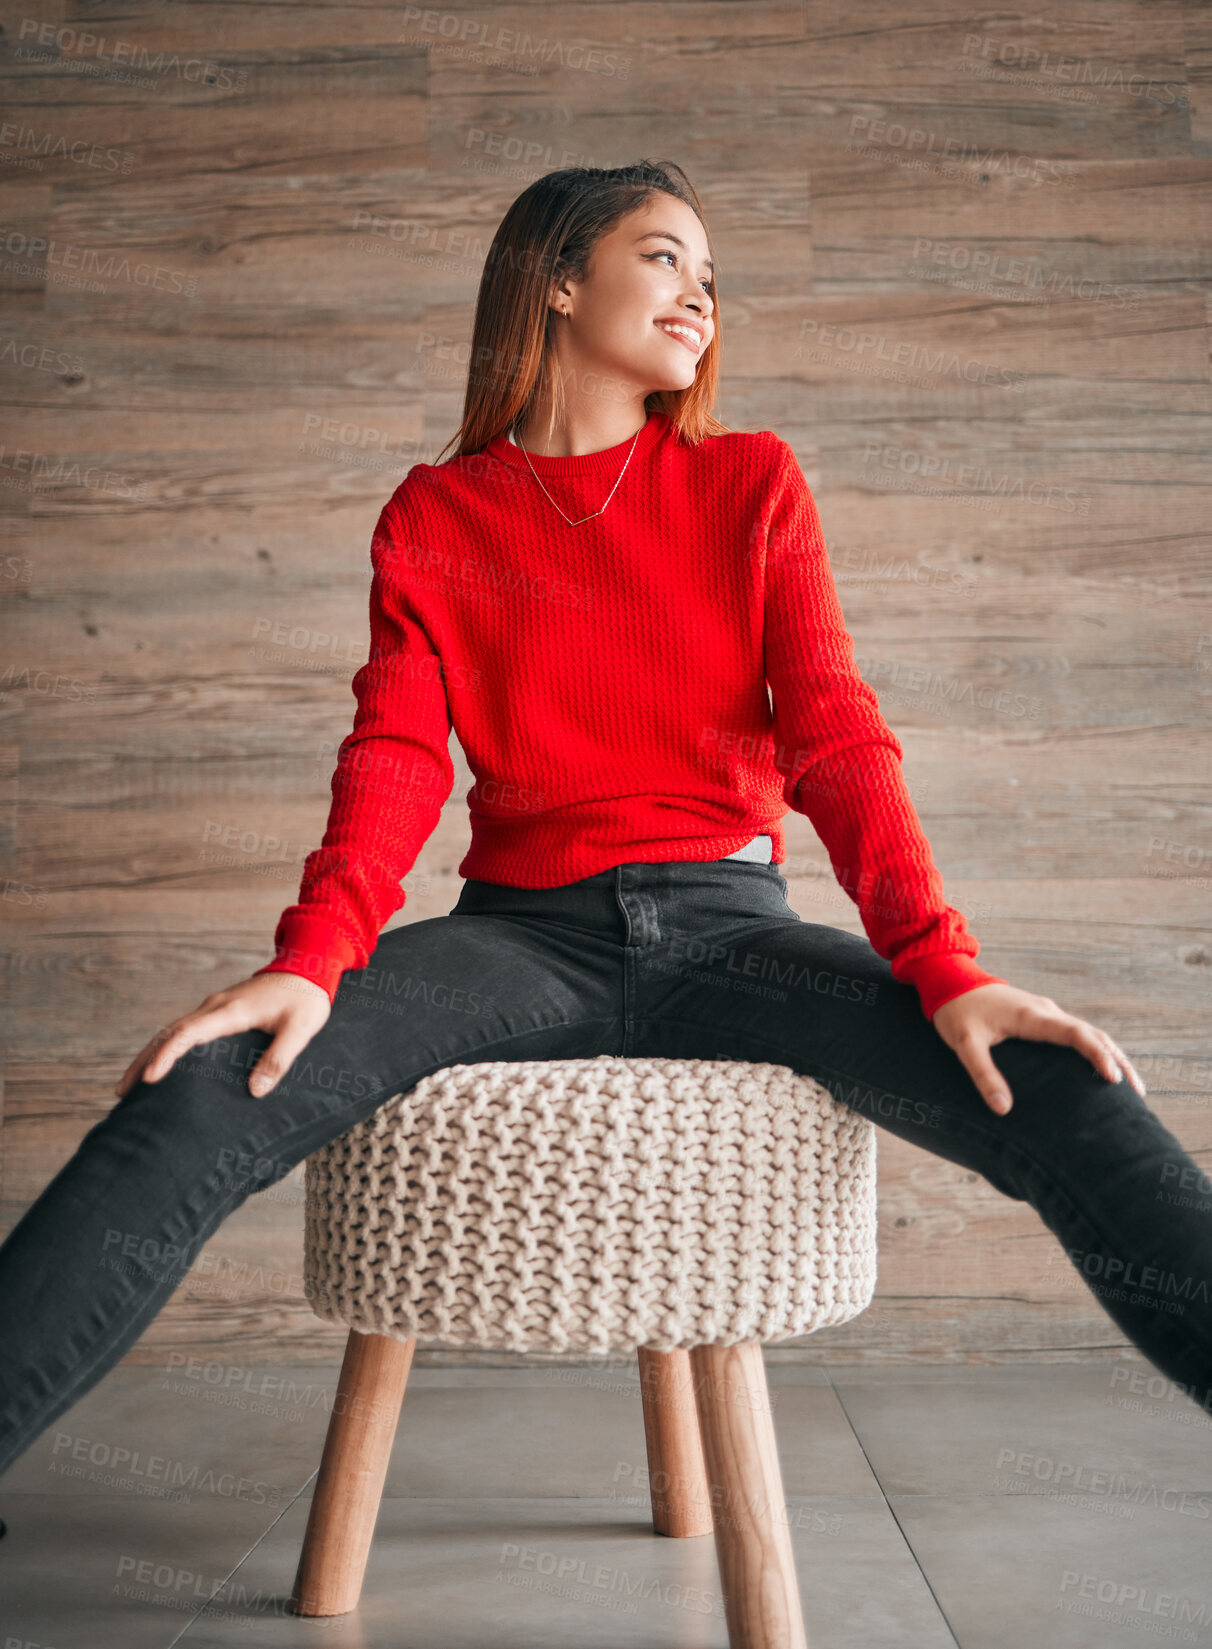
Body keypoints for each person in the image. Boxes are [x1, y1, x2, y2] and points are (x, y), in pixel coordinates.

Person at [2, 159, 1210, 1484]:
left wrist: (944, 963)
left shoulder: (749, 482)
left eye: (711, 275)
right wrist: (310, 957)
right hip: (517, 943)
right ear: (560, 279)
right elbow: (396, 754)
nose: (699, 294)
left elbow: (835, 735)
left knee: (1060, 1087)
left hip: (731, 932)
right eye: (664, 257)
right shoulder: (436, 513)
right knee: (199, 1089)